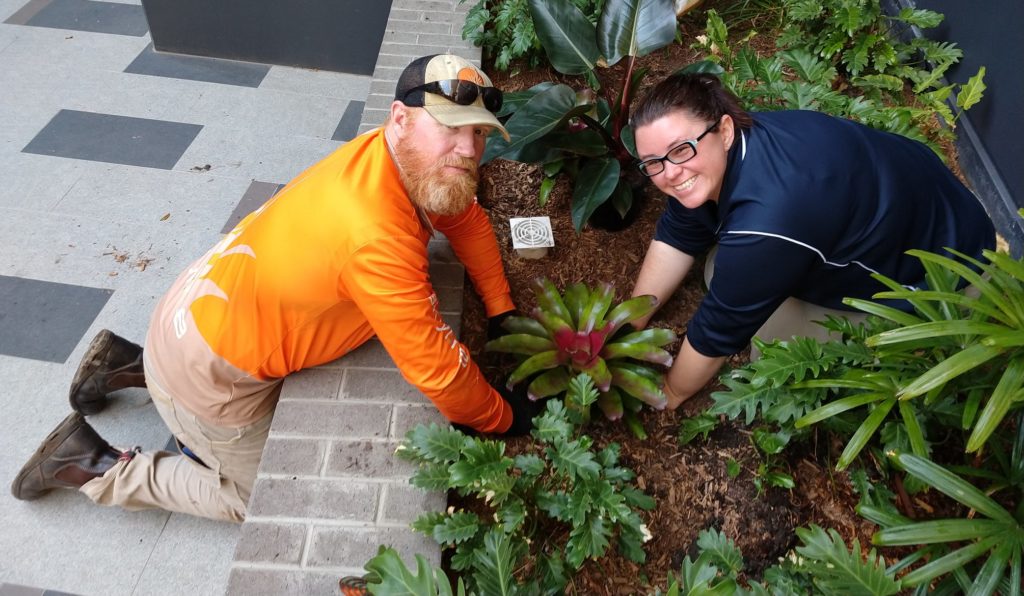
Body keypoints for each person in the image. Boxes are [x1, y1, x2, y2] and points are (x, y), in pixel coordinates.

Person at [11, 54, 540, 522]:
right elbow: (439, 372)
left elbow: (465, 219)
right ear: (400, 120)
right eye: (451, 128)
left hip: (191, 311)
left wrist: (499, 310)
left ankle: (127, 364)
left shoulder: (388, 156)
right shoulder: (374, 236)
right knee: (253, 501)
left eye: (478, 133)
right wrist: (506, 417)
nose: (469, 149)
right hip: (210, 377)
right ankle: (89, 464)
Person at [627, 72, 996, 409]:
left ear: (723, 130)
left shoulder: (768, 220)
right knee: (722, 267)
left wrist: (668, 395)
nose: (670, 173)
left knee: (772, 341)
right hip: (935, 207)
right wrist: (629, 325)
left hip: (946, 277)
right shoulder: (738, 141)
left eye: (680, 150)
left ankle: (910, 346)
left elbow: (717, 331)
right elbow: (678, 231)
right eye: (653, 163)